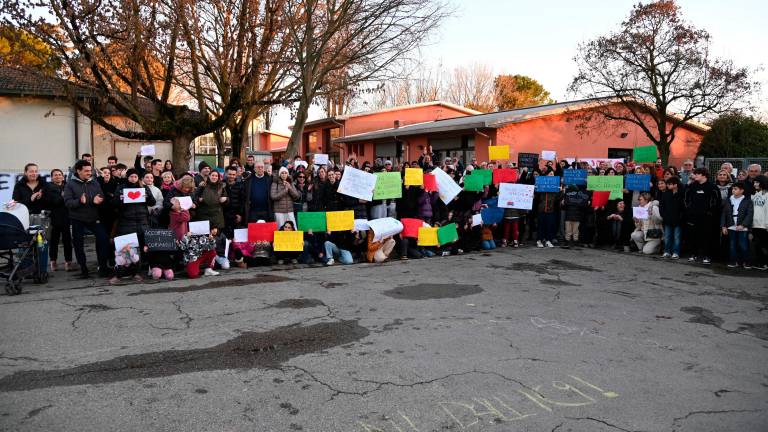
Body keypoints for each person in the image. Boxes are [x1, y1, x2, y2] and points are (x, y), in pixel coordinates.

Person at [63, 159, 111, 278]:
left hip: (93, 217)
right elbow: (68, 202)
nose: (89, 173)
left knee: (103, 238)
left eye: (90, 170)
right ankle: (84, 269)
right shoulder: (70, 184)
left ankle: (103, 267)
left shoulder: (94, 182)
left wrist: (98, 200)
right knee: (78, 244)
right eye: (86, 171)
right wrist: (79, 201)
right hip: (77, 218)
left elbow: (101, 196)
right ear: (78, 171)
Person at [684, 168, 721, 264]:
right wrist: (689, 211)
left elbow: (717, 202)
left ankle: (707, 256)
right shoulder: (692, 186)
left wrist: (710, 212)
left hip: (707, 218)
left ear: (704, 175)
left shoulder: (712, 187)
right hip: (693, 216)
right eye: (694, 174)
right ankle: (693, 254)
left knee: (707, 236)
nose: (695, 176)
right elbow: (686, 199)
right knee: (693, 236)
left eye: (697, 174)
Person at [113, 169, 156, 247]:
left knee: (144, 246)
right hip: (126, 222)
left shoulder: (144, 187)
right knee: (130, 248)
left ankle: (144, 259)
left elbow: (153, 203)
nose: (133, 178)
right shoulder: (121, 188)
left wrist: (148, 197)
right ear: (127, 177)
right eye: (131, 176)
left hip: (142, 221)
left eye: (135, 176)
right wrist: (120, 199)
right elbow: (114, 204)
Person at [721, 182, 753, 268]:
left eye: (736, 189)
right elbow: (724, 213)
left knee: (743, 245)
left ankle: (746, 261)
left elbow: (749, 214)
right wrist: (723, 226)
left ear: (742, 190)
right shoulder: (729, 200)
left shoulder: (747, 201)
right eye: (733, 189)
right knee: (732, 244)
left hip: (742, 226)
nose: (733, 190)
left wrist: (743, 225)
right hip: (731, 225)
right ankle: (733, 261)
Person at [48, 168, 73, 271]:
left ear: (63, 176)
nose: (58, 176)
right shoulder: (48, 188)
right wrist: (62, 197)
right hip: (54, 218)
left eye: (59, 174)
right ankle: (53, 261)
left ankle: (68, 262)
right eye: (55, 175)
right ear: (52, 177)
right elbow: (51, 202)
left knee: (67, 241)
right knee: (54, 241)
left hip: (67, 217)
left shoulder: (67, 186)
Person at [659, 176, 684, 259]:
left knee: (677, 237)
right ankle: (666, 251)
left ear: (675, 185)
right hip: (667, 219)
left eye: (669, 184)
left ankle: (676, 252)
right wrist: (664, 216)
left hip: (678, 220)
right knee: (667, 236)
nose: (668, 186)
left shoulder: (682, 193)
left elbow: (684, 207)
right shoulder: (666, 194)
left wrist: (681, 217)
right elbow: (661, 206)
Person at [750, 175, 768, 270]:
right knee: (757, 245)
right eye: (754, 182)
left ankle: (764, 263)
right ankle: (760, 263)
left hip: (763, 225)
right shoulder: (754, 194)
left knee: (764, 245)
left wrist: (766, 224)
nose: (755, 184)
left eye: (757, 182)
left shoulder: (766, 195)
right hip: (754, 224)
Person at [223, 165, 245, 237]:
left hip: (235, 215)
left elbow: (242, 201)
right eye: (230, 174)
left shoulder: (240, 185)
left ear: (236, 175)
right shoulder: (221, 184)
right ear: (226, 174)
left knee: (235, 237)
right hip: (224, 215)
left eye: (233, 175)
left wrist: (240, 214)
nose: (231, 176)